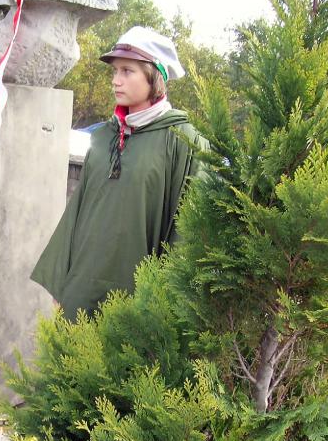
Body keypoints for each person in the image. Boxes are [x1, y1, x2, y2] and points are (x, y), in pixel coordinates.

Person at [31, 27, 209, 321]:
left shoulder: (183, 141)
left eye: (128, 71)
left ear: (155, 77)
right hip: (82, 286)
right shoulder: (103, 137)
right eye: (115, 71)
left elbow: (186, 233)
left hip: (138, 300)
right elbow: (78, 212)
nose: (116, 80)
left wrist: (164, 308)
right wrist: (61, 283)